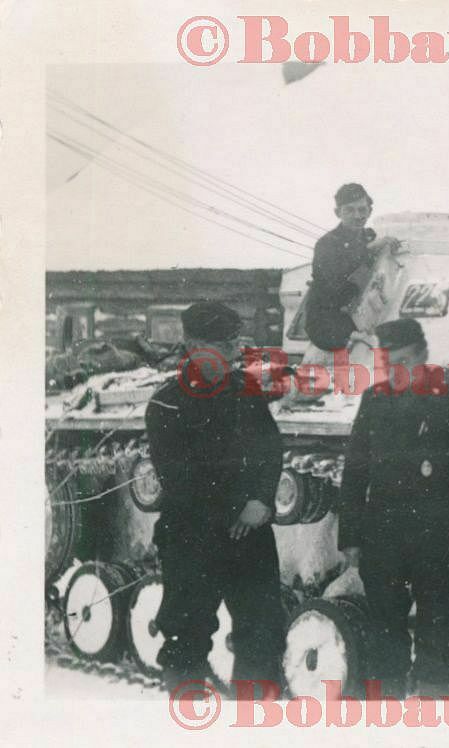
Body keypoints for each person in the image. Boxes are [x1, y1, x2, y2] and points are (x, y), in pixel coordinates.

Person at [336, 318, 449, 697]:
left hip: (436, 541)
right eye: (388, 364)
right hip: (383, 541)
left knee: (439, 632)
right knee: (385, 632)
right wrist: (350, 537)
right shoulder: (374, 400)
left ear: (424, 356)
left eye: (403, 361)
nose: (396, 372)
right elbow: (354, 472)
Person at [145, 301, 287, 695]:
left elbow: (269, 449)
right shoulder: (167, 403)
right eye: (224, 344)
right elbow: (180, 480)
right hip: (193, 539)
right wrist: (239, 508)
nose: (234, 352)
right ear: (192, 345)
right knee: (186, 641)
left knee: (262, 636)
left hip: (250, 537)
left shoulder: (247, 391)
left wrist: (261, 500)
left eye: (235, 342)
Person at [304, 183, 400, 353]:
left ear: (370, 211)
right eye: (349, 210)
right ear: (338, 213)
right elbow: (336, 284)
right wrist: (369, 249)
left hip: (360, 316)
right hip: (328, 325)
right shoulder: (326, 244)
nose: (357, 216)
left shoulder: (370, 236)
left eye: (362, 210)